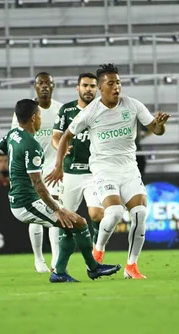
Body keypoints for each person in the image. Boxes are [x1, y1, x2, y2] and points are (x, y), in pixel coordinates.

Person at [0, 99, 121, 283]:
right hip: (27, 203)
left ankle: (60, 272)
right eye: (40, 115)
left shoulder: (13, 135)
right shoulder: (31, 145)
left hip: (24, 200)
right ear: (34, 118)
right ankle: (93, 268)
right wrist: (57, 209)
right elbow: (38, 185)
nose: (41, 118)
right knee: (79, 222)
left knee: (68, 227)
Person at [46, 64, 170, 279]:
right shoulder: (91, 111)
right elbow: (65, 136)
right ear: (101, 88)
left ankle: (132, 267)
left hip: (129, 168)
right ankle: (98, 251)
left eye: (118, 82)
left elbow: (156, 130)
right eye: (110, 83)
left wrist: (159, 125)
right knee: (113, 213)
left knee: (140, 213)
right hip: (103, 169)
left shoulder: (132, 105)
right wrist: (58, 166)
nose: (116, 87)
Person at [11, 72, 63, 273]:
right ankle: (39, 259)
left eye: (48, 83)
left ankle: (56, 260)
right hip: (31, 166)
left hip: (52, 166)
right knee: (37, 213)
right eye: (40, 83)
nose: (44, 86)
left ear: (53, 85)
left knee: (54, 207)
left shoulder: (60, 109)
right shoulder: (24, 111)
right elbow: (15, 139)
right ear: (35, 87)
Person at [52, 72, 104, 247]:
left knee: (97, 214)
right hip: (70, 172)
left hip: (94, 173)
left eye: (92, 86)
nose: (88, 89)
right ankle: (59, 263)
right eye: (85, 85)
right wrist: (61, 147)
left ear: (97, 89)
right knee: (66, 218)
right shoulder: (66, 110)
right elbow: (55, 137)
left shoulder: (103, 110)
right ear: (78, 88)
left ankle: (97, 251)